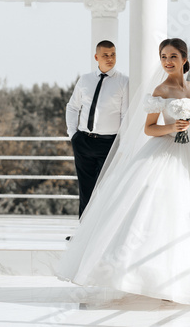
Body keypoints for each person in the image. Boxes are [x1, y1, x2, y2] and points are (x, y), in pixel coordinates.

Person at [57, 38, 190, 306]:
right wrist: (172, 127)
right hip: (163, 151)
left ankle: (181, 278)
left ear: (184, 58)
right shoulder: (160, 90)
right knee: (158, 210)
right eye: (163, 56)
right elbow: (149, 128)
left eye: (172, 56)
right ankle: (148, 278)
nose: (167, 61)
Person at [65, 40, 128, 238]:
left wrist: (121, 143)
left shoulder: (124, 82)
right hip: (83, 141)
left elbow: (125, 116)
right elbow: (72, 107)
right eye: (105, 55)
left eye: (113, 54)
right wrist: (73, 134)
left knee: (105, 189)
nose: (110, 59)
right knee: (86, 189)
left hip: (109, 144)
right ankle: (84, 234)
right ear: (96, 57)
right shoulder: (84, 80)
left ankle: (102, 234)